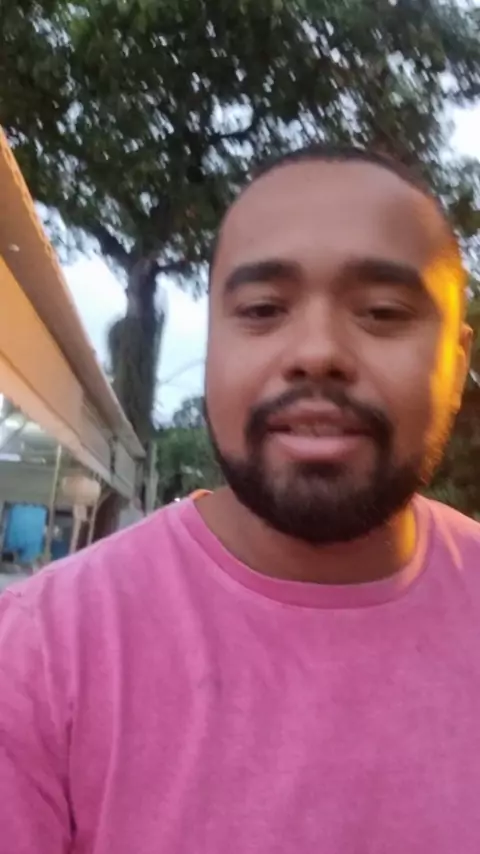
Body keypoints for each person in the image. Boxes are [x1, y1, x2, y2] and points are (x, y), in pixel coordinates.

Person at [1, 145, 479, 854]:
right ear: (213, 347)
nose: (317, 352)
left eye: (382, 312)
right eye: (262, 309)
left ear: (457, 366)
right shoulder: (38, 658)